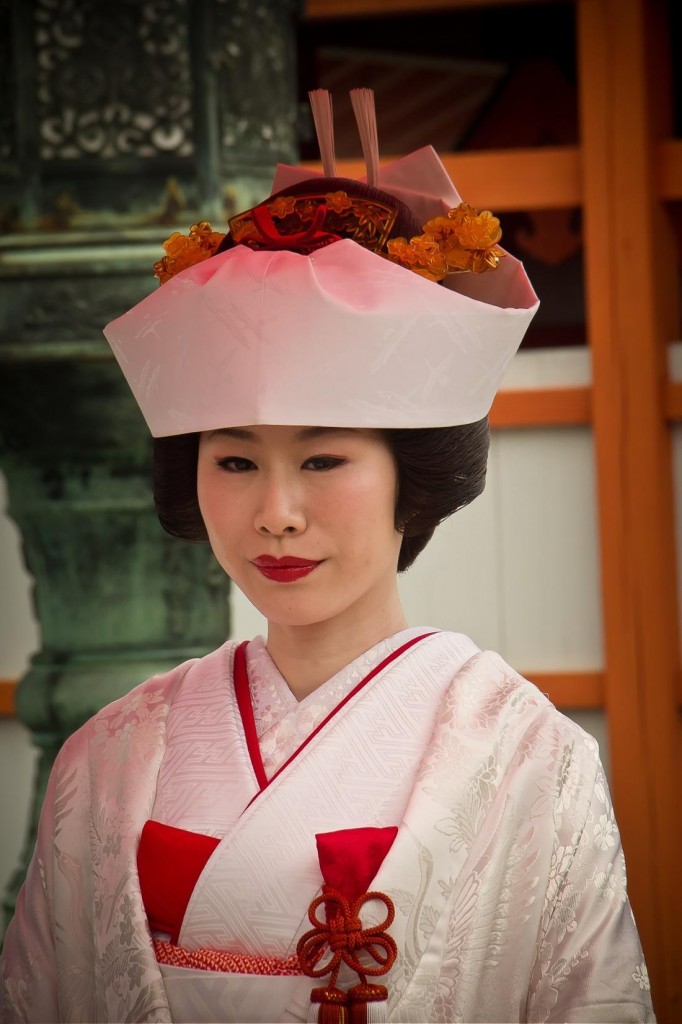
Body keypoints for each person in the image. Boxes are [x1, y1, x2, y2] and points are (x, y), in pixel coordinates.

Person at [1, 89, 655, 1024]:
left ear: (411, 477)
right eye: (232, 460)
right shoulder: (111, 755)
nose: (275, 513)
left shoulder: (524, 755)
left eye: (323, 459)